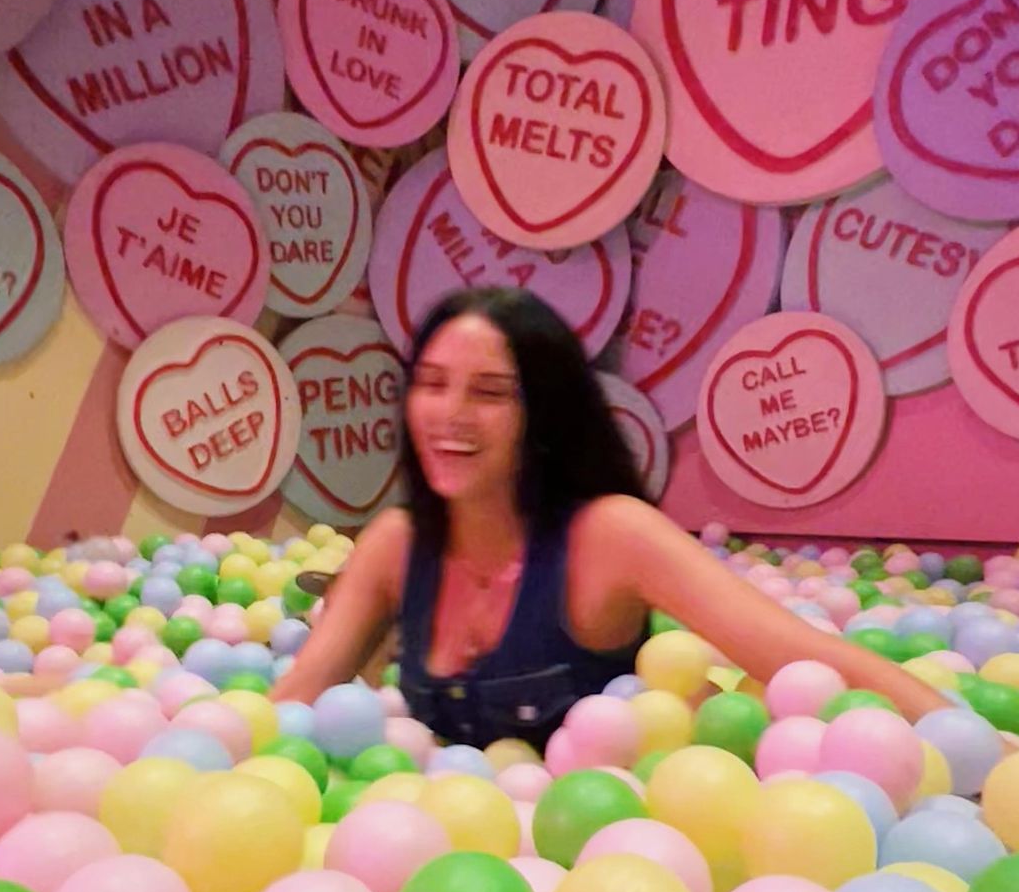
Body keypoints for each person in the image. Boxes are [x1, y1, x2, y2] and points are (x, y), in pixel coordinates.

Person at [272, 288, 949, 748]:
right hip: (438, 879)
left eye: (490, 393)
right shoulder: (397, 545)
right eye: (432, 383)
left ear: (542, 414)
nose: (450, 414)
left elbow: (809, 660)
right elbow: (294, 703)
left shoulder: (610, 536)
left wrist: (972, 749)